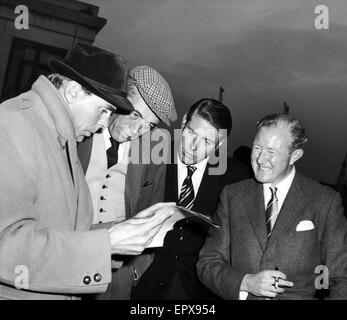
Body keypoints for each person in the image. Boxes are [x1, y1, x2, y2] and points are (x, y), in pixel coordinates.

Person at [0, 43, 174, 300]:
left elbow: (65, 227)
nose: (105, 122)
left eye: (149, 125)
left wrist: (125, 251)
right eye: (105, 110)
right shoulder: (16, 123)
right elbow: (8, 247)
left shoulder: (57, 130)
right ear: (73, 91)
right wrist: (108, 243)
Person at [197, 113, 347, 300]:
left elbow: (342, 279)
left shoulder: (325, 202)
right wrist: (245, 282)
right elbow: (207, 263)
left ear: (295, 156)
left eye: (272, 152)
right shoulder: (232, 196)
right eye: (257, 148)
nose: (260, 159)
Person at [132, 98, 249, 300]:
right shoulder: (149, 157)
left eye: (206, 141)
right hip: (142, 283)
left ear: (220, 143)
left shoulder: (236, 178)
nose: (193, 146)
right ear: (184, 121)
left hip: (199, 290)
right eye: (191, 132)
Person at [77, 65, 178, 299]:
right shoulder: (80, 132)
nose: (138, 130)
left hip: (116, 279)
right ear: (118, 99)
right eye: (135, 115)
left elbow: (151, 217)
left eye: (150, 125)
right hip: (65, 259)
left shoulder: (153, 152)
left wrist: (134, 271)